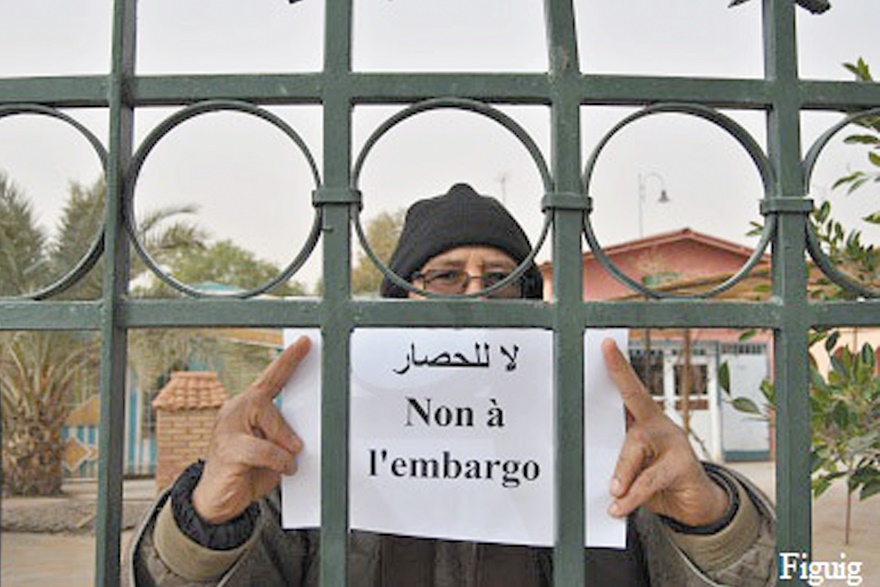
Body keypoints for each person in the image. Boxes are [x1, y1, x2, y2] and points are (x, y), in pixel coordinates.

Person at [127, 183, 776, 586]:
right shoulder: (316, 440)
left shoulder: (605, 435)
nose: (478, 293)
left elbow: (797, 573)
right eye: (446, 275)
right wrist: (207, 518)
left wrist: (711, 518)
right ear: (397, 300)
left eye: (501, 275)